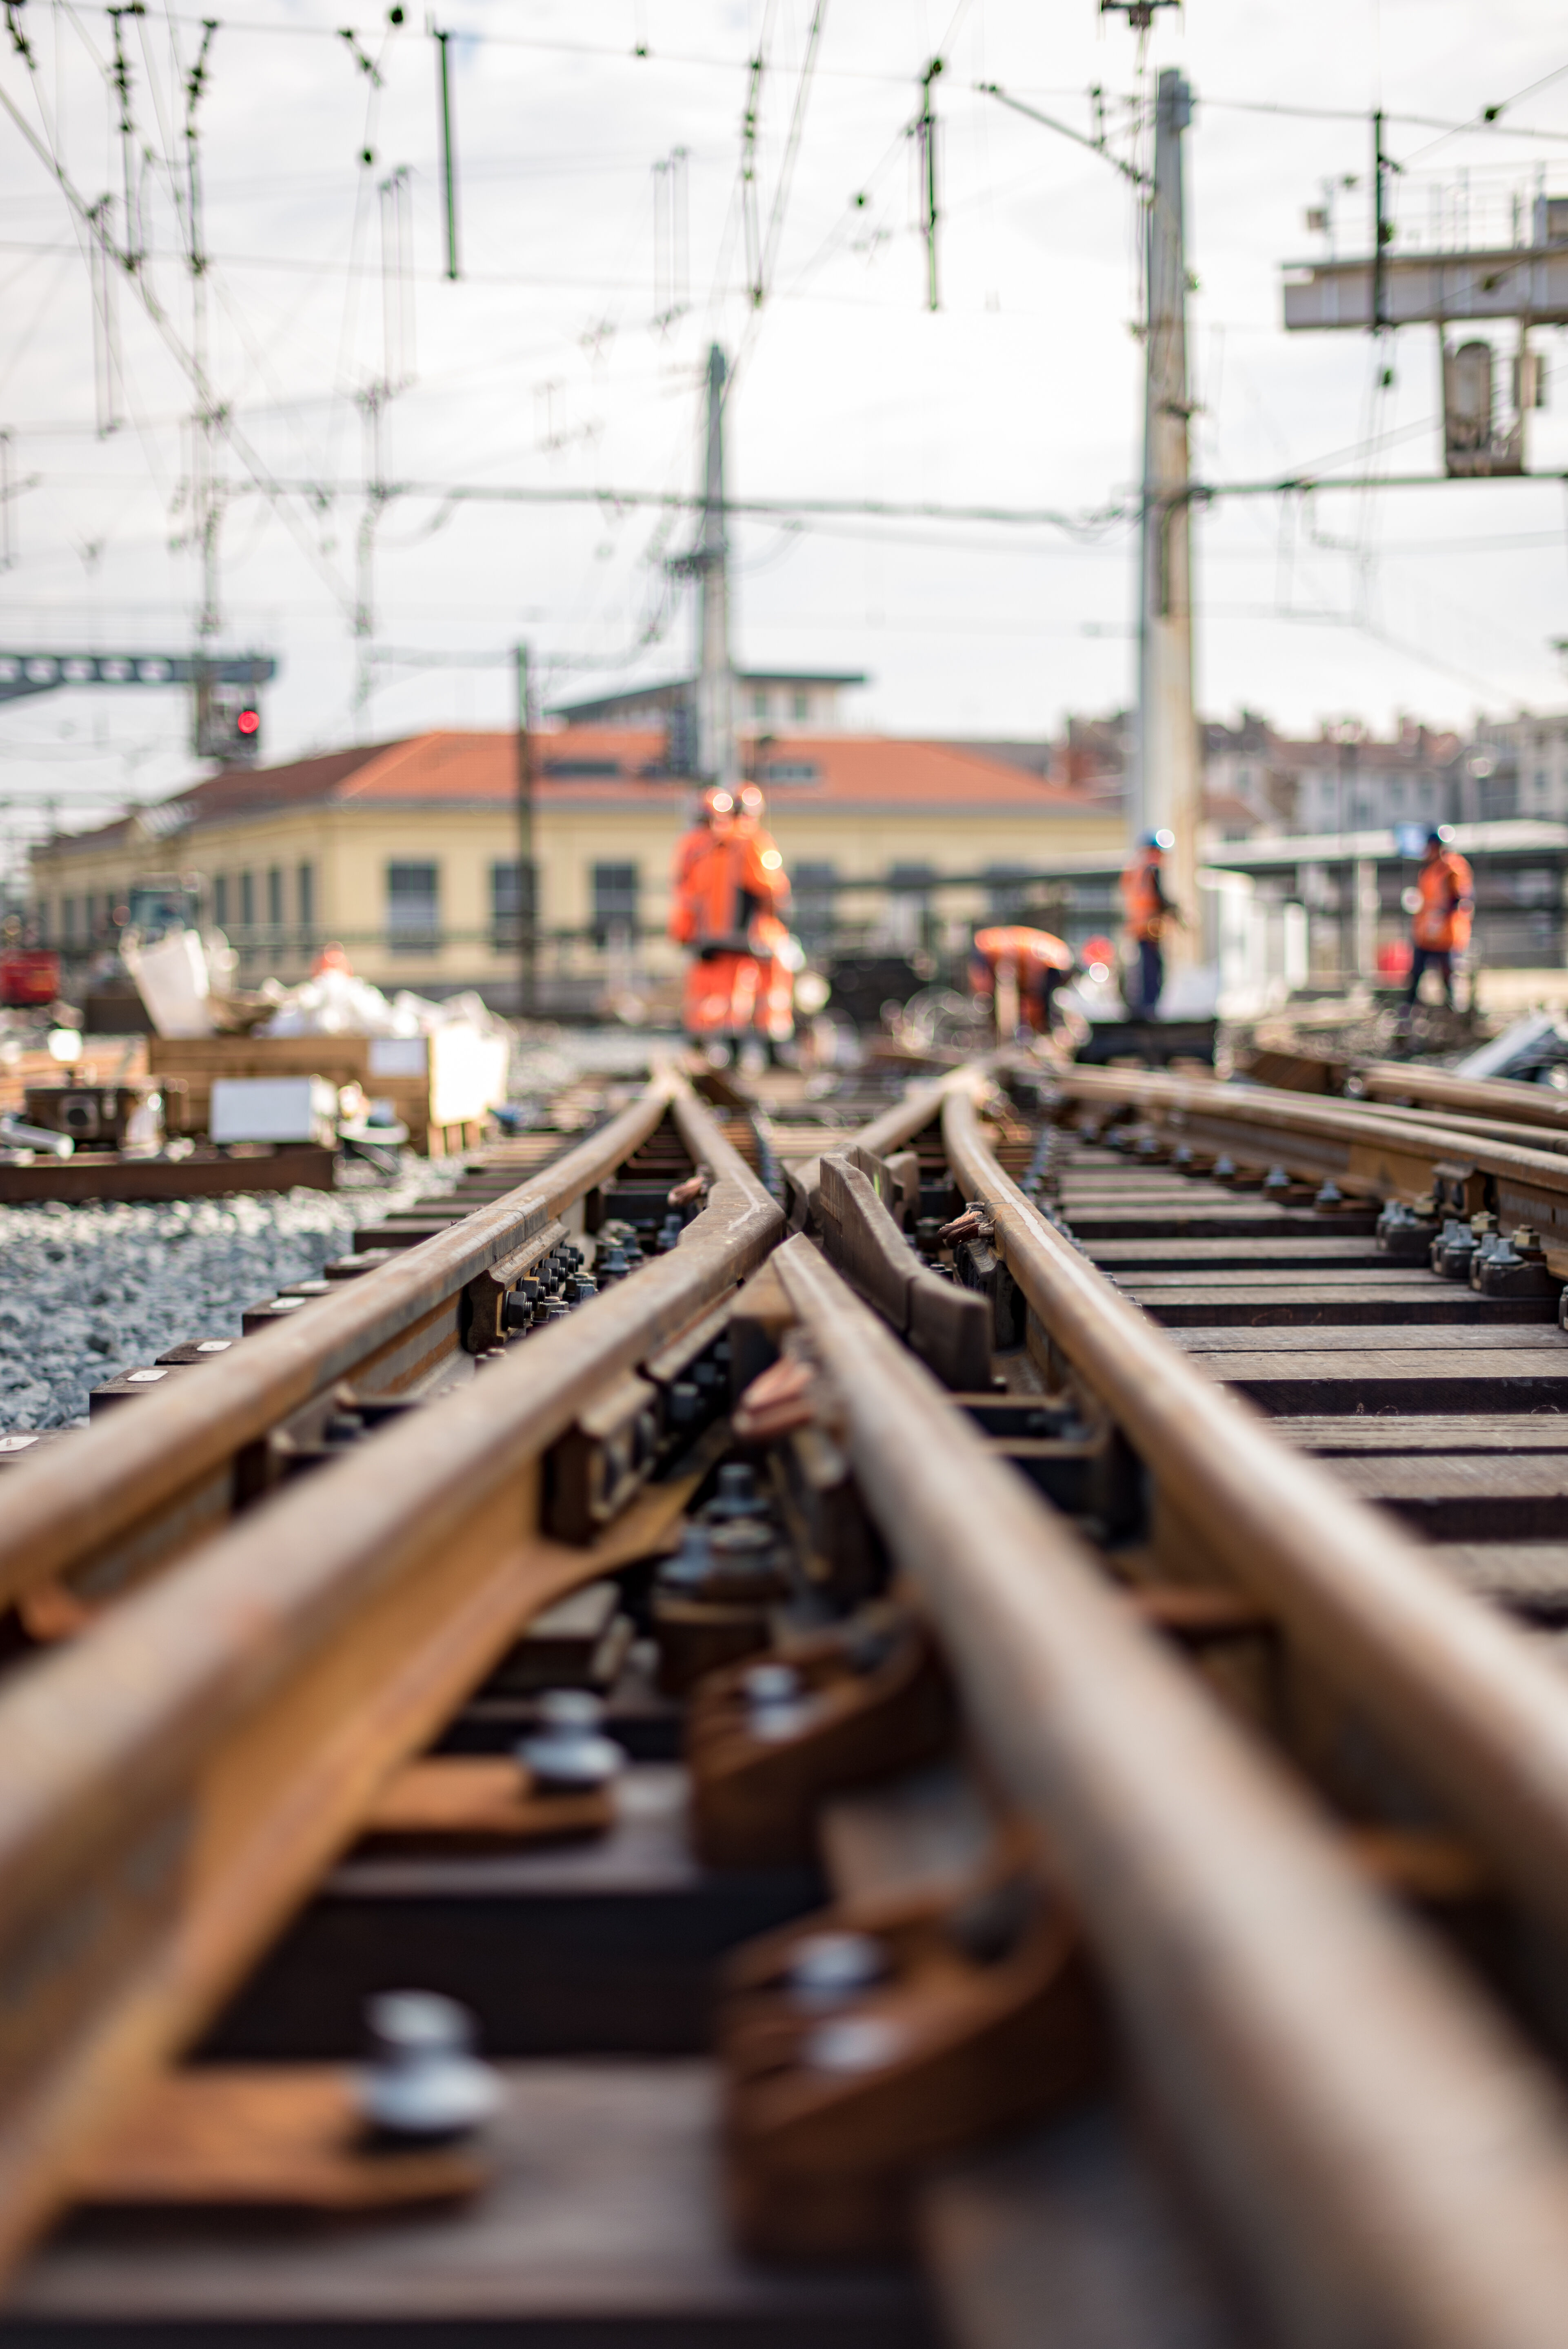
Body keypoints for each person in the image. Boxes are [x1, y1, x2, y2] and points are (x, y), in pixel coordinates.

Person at [669, 784, 791, 1044]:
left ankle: (712, 1042)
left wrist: (687, 933)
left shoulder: (701, 847)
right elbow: (770, 889)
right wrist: (778, 919)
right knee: (747, 992)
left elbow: (687, 896)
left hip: (709, 937)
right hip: (747, 936)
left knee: (715, 994)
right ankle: (751, 1043)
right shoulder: (752, 842)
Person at [1404, 828, 1474, 1011]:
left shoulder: (1452, 867)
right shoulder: (1429, 869)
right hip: (1426, 933)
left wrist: (1441, 916)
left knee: (1447, 974)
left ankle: (1453, 1011)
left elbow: (1459, 898)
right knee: (1416, 972)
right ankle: (1408, 1009)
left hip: (1446, 933)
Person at [970, 924, 1075, 1040]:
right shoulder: (989, 947)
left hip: (1047, 966)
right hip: (1048, 965)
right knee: (1037, 1000)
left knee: (1038, 1001)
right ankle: (1039, 1030)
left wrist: (1032, 991)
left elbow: (1033, 968)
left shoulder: (1049, 952)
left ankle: (1040, 1029)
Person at [1120, 829, 1178, 1012]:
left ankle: (1142, 1007)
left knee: (1144, 969)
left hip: (1139, 926)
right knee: (1153, 970)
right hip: (1150, 927)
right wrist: (1177, 911)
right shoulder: (1152, 868)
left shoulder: (1136, 869)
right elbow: (1159, 898)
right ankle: (1149, 1010)